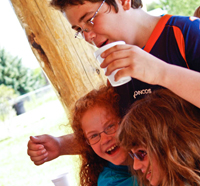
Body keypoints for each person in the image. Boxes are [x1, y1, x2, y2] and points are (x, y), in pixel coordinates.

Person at [28, 0, 200, 164]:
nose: (88, 37)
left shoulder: (188, 33)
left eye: (89, 20)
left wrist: (161, 72)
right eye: (80, 30)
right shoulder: (119, 70)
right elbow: (113, 131)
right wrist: (60, 145)